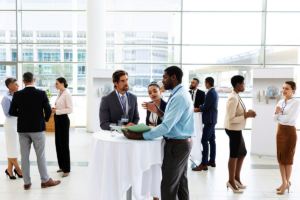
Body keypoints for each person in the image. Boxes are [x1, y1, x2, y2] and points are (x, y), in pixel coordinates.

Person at [122, 66, 194, 200]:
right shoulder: (179, 93)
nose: (163, 80)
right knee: (180, 185)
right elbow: (171, 120)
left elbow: (166, 126)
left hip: (177, 146)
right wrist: (157, 111)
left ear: (173, 77)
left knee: (168, 187)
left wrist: (140, 136)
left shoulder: (179, 96)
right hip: (181, 144)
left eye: (164, 77)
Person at [9, 72, 61, 190]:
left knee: (24, 156)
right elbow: (48, 111)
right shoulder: (41, 93)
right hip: (38, 128)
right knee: (40, 155)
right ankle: (45, 180)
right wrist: (44, 120)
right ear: (35, 80)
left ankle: (26, 182)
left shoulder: (17, 94)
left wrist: (22, 116)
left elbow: (12, 112)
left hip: (23, 129)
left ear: (23, 81)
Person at [224, 75, 256, 193]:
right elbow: (231, 119)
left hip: (237, 129)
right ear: (238, 85)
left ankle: (236, 178)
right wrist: (246, 116)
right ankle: (231, 181)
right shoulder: (233, 98)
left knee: (242, 152)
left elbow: (237, 114)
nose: (244, 86)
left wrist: (247, 113)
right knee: (234, 155)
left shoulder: (236, 96)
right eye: (243, 83)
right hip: (233, 129)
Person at [273, 81, 300, 195]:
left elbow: (289, 119)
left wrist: (279, 116)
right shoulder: (280, 101)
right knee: (280, 158)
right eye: (283, 88)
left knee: (287, 160)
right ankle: (284, 182)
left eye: (287, 89)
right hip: (280, 131)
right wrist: (278, 116)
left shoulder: (296, 102)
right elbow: (274, 118)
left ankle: (286, 183)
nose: (284, 90)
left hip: (289, 132)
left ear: (293, 90)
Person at [192, 77, 219, 171]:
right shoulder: (214, 91)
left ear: (207, 83)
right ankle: (211, 160)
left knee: (204, 141)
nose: (205, 84)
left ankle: (204, 164)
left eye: (205, 82)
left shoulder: (211, 92)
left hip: (209, 120)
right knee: (212, 140)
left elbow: (206, 106)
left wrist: (199, 107)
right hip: (212, 119)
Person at [1, 78, 23, 179]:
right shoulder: (6, 98)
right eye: (16, 85)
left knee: (13, 147)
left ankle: (9, 169)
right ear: (9, 86)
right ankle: (18, 169)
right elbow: (7, 113)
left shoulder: (17, 96)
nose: (18, 86)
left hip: (17, 123)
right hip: (11, 124)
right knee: (12, 147)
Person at [52, 77, 73, 178]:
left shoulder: (67, 94)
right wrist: (55, 109)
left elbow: (70, 109)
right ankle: (62, 165)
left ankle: (67, 168)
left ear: (62, 83)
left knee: (64, 143)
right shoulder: (60, 93)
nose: (55, 85)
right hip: (57, 118)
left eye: (56, 83)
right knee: (58, 143)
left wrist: (57, 111)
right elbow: (60, 106)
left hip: (63, 119)